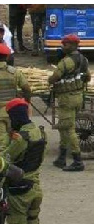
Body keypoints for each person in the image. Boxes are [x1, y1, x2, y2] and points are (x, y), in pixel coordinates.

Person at [0, 98, 48, 224]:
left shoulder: (21, 138)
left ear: (15, 116)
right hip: (36, 187)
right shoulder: (40, 133)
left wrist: (9, 142)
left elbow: (4, 159)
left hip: (20, 192)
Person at [48, 34, 91, 172]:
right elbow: (88, 77)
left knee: (68, 128)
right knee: (63, 126)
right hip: (78, 97)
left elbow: (54, 78)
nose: (63, 46)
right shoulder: (83, 59)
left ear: (72, 45)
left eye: (65, 44)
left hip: (67, 99)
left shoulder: (66, 62)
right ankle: (61, 157)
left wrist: (50, 80)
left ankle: (78, 161)